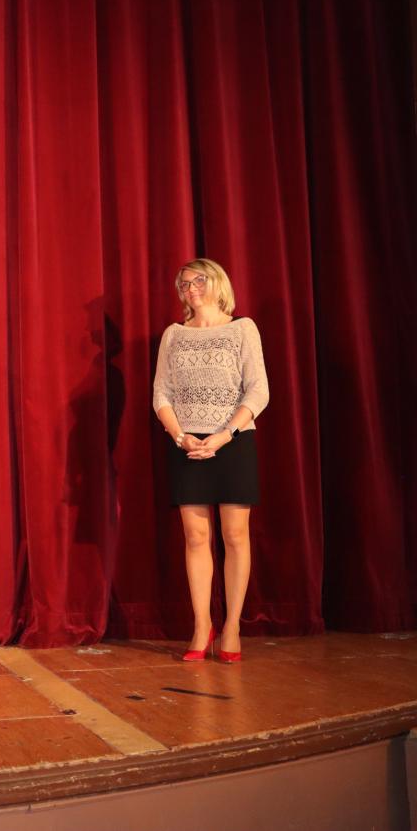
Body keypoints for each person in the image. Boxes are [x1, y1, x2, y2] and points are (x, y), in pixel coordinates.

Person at [152, 258, 269, 664]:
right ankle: (202, 626)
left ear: (218, 283)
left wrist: (224, 435)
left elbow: (258, 390)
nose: (191, 289)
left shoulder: (242, 329)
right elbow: (161, 394)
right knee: (196, 537)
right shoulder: (174, 335)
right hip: (187, 444)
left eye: (198, 280)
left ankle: (232, 626)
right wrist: (180, 436)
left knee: (235, 536)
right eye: (183, 284)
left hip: (232, 442)